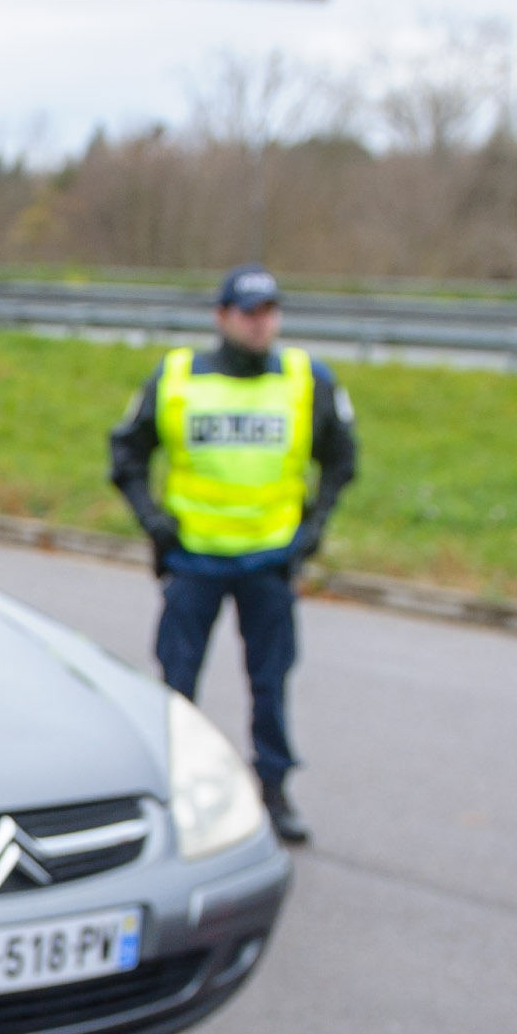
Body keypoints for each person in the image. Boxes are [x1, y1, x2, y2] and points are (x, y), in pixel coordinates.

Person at [108, 264, 358, 844]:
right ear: (222, 317)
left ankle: (273, 788)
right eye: (249, 312)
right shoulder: (175, 378)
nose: (260, 323)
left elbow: (342, 460)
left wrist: (312, 528)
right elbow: (126, 454)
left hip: (269, 563)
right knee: (178, 685)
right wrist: (155, 524)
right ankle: (171, 790)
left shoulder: (306, 380)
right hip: (195, 561)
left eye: (269, 311)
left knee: (270, 683)